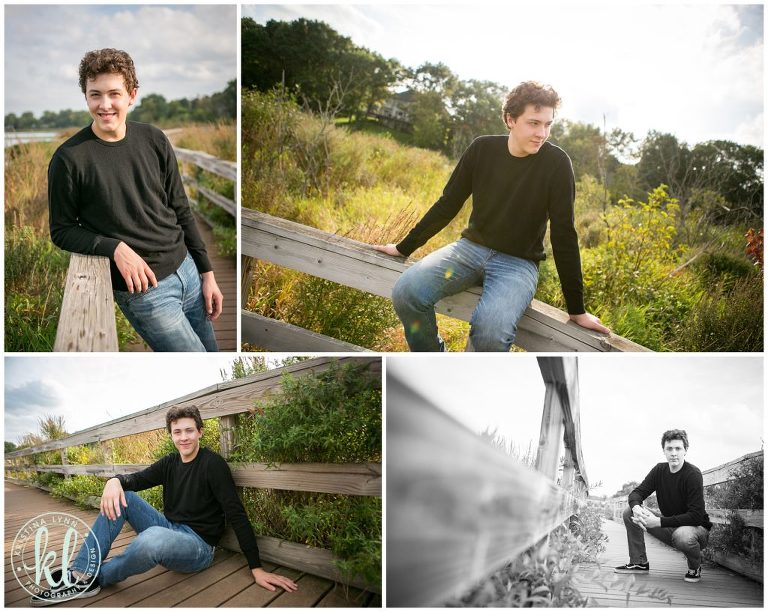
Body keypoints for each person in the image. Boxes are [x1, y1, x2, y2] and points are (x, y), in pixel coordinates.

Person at [373, 81, 609, 351]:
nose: (542, 133)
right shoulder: (482, 149)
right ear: (510, 119)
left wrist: (576, 309)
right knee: (407, 292)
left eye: (547, 124)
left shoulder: (557, 163)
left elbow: (564, 233)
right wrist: (405, 247)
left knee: (490, 331)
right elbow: (448, 204)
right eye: (534, 123)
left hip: (518, 265)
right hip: (468, 250)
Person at [30, 406, 298, 606]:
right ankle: (81, 570)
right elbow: (136, 480)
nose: (184, 437)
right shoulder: (170, 463)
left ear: (200, 432)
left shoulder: (213, 465)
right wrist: (114, 481)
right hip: (170, 528)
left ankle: (95, 579)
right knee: (126, 497)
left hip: (198, 547)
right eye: (177, 432)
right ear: (171, 435)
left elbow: (237, 515)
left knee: (151, 539)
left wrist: (257, 568)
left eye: (189, 430)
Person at [48, 48, 222, 352]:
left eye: (114, 93)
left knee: (213, 356)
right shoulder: (69, 158)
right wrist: (114, 248)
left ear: (132, 95)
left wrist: (207, 273)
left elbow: (181, 207)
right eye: (95, 95)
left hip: (188, 270)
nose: (104, 105)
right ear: (85, 97)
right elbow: (61, 230)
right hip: (145, 293)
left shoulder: (154, 139)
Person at [614, 429, 712, 583]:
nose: (674, 453)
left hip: (696, 530)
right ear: (664, 451)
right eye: (669, 449)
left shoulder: (692, 474)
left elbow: (696, 516)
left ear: (685, 450)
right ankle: (639, 562)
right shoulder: (659, 470)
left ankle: (695, 567)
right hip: (670, 526)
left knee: (683, 536)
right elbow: (637, 493)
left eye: (678, 448)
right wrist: (636, 507)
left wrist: (658, 522)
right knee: (629, 512)